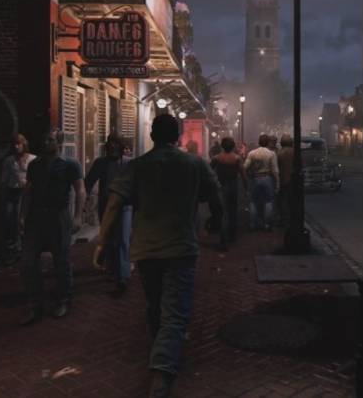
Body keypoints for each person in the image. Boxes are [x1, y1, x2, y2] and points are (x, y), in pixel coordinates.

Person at [92, 114, 223, 397]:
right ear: (178, 137)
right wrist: (217, 220)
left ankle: (161, 351)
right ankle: (162, 372)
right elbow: (215, 195)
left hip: (147, 249)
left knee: (155, 305)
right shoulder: (194, 164)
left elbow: (114, 203)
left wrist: (101, 242)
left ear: (152, 136)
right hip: (181, 247)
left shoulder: (137, 166)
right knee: (174, 313)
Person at [17, 128, 86, 325]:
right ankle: (35, 304)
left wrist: (77, 217)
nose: (46, 143)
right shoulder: (35, 165)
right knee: (29, 261)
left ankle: (63, 299)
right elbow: (28, 191)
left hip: (59, 216)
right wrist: (22, 215)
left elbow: (80, 190)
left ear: (59, 142)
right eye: (44, 139)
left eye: (50, 140)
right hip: (36, 216)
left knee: (61, 260)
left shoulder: (70, 164)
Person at [85, 134, 133, 296]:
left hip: (124, 205)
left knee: (122, 239)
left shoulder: (128, 163)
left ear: (121, 146)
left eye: (116, 143)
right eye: (110, 143)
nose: (113, 146)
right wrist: (85, 200)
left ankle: (122, 276)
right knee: (109, 238)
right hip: (105, 205)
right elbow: (88, 182)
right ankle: (112, 267)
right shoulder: (101, 163)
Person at [0, 133, 35, 265]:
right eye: (14, 144)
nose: (16, 146)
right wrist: (3, 194)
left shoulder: (32, 159)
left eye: (18, 144)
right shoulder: (9, 160)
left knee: (21, 220)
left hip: (25, 193)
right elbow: (4, 179)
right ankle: (12, 250)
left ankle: (23, 250)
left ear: (24, 144)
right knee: (10, 220)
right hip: (11, 192)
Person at [210, 137, 248, 250]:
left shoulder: (217, 158)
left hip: (221, 186)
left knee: (223, 212)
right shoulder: (237, 158)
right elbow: (243, 174)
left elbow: (210, 172)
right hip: (233, 186)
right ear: (233, 146)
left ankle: (223, 237)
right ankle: (232, 235)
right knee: (233, 211)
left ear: (222, 146)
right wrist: (246, 188)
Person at [244, 134, 279, 232]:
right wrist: (277, 183)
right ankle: (267, 224)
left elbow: (245, 167)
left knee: (253, 201)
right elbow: (275, 171)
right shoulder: (271, 154)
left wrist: (249, 175)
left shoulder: (252, 153)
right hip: (267, 178)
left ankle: (253, 224)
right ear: (267, 142)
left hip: (255, 178)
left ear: (259, 142)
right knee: (268, 201)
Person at [276, 134, 295, 228]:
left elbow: (276, 168)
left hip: (282, 180)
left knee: (282, 201)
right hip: (293, 180)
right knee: (293, 201)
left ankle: (284, 220)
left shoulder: (279, 153)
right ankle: (292, 220)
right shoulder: (295, 152)